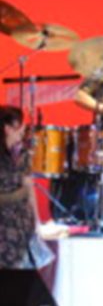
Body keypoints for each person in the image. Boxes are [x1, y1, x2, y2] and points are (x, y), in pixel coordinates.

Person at [0, 105, 50, 268]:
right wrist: (17, 195)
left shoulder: (23, 154)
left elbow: (30, 190)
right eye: (19, 124)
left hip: (22, 226)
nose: (23, 128)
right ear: (7, 128)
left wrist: (37, 222)